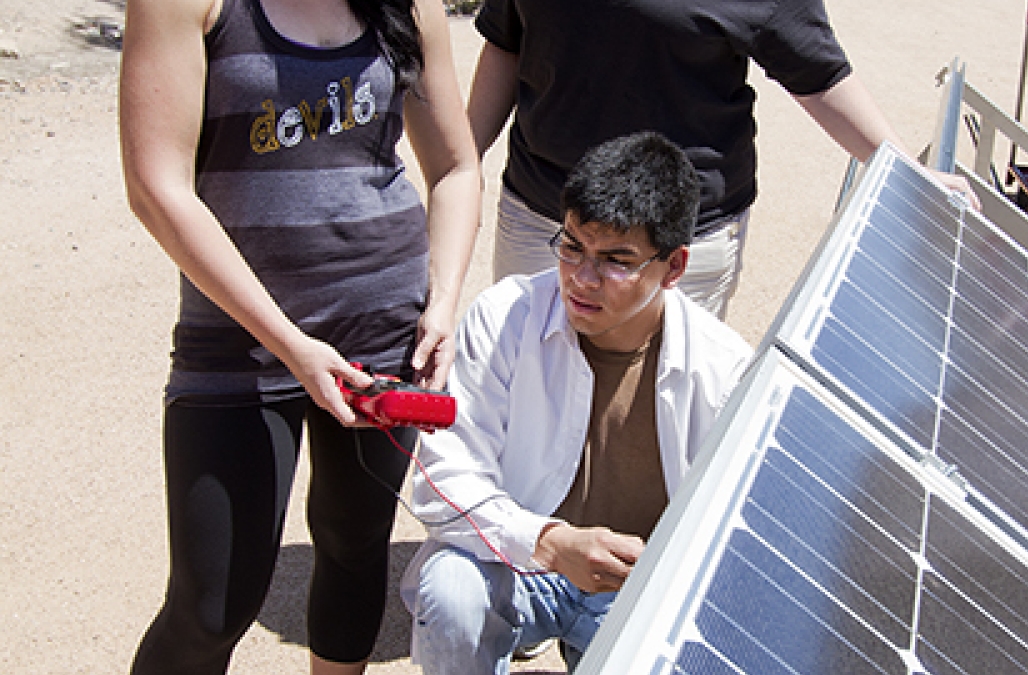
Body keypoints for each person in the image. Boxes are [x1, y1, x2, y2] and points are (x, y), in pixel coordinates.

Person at [118, 0, 480, 671]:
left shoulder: (411, 4)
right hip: (238, 343)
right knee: (211, 605)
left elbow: (457, 168)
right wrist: (290, 342)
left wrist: (444, 301)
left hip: (383, 324)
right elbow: (155, 185)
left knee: (355, 541)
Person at [399, 131, 754, 674]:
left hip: (634, 591)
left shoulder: (723, 369)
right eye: (571, 247)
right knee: (451, 593)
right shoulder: (505, 317)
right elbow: (442, 474)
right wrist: (548, 541)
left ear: (675, 267)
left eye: (616, 260)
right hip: (521, 561)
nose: (582, 280)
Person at [466, 0, 978, 319]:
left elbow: (819, 73)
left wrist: (905, 169)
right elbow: (508, 42)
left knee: (653, 421)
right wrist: (459, 165)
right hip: (544, 220)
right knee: (532, 386)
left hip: (676, 242)